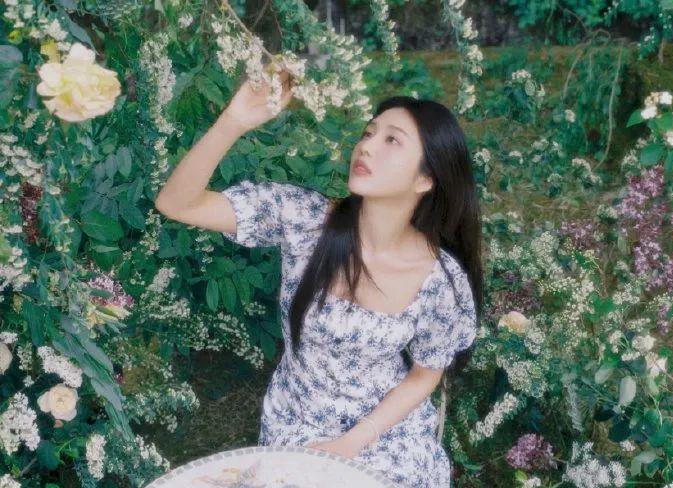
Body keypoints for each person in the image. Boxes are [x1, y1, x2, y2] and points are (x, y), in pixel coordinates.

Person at [155, 63, 483, 488]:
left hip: (387, 435)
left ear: (425, 179)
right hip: (297, 422)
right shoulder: (305, 220)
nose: (366, 147)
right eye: (368, 133)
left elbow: (426, 373)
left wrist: (351, 443)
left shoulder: (440, 280)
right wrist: (234, 120)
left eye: (391, 141)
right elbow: (177, 204)